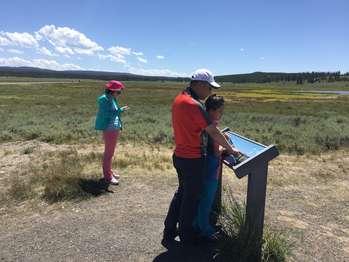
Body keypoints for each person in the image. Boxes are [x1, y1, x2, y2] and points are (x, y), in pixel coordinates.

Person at [162, 69, 240, 248]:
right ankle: (187, 237)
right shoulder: (194, 105)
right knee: (190, 199)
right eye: (210, 88)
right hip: (193, 159)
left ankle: (169, 230)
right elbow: (212, 131)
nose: (210, 93)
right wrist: (231, 149)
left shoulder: (179, 98)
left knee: (182, 194)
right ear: (200, 85)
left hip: (180, 156)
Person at [193, 94, 225, 238]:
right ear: (212, 110)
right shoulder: (212, 126)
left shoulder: (204, 121)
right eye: (220, 110)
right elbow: (216, 152)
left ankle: (195, 224)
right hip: (211, 169)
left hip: (201, 165)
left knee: (200, 198)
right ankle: (205, 229)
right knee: (207, 200)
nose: (221, 114)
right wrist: (227, 148)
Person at [95, 80, 129, 185]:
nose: (119, 94)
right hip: (109, 129)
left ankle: (109, 172)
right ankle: (108, 177)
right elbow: (107, 114)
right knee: (108, 154)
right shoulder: (104, 100)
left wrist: (119, 110)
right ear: (112, 91)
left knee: (110, 153)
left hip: (113, 128)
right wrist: (120, 110)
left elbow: (112, 112)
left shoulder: (111, 98)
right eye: (118, 92)